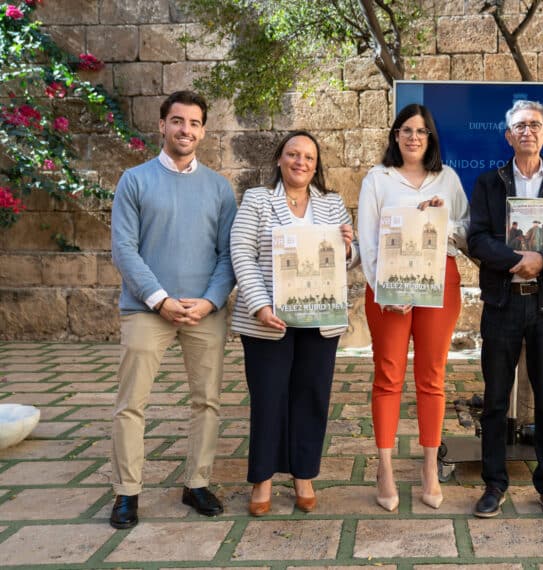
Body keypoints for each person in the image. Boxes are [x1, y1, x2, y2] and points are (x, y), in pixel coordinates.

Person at [109, 90, 237, 529]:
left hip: (205, 311)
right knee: (132, 403)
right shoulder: (135, 180)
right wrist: (159, 299)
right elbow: (124, 249)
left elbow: (228, 254)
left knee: (207, 401)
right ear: (162, 125)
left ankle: (196, 483)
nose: (186, 130)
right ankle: (127, 492)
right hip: (147, 310)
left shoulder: (220, 188)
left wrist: (209, 301)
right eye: (178, 121)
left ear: (203, 130)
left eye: (195, 123)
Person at [467, 100, 543, 521]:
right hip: (502, 303)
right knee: (496, 400)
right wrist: (513, 259)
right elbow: (477, 239)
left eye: (535, 125)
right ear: (508, 135)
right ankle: (494, 483)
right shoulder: (489, 183)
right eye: (519, 126)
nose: (527, 131)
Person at [230, 131, 359, 516]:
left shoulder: (333, 205)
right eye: (293, 154)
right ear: (279, 159)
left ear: (316, 165)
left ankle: (304, 473)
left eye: (308, 156)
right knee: (269, 397)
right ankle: (263, 478)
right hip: (270, 319)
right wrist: (258, 306)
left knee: (312, 395)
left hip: (319, 319)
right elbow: (242, 252)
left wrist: (349, 246)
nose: (300, 162)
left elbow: (348, 261)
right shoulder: (257, 200)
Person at [358, 103, 470, 511]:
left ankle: (428, 466)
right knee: (388, 375)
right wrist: (383, 289)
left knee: (432, 376)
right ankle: (385, 467)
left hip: (439, 283)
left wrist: (447, 222)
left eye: (421, 131)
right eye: (406, 130)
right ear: (395, 135)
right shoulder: (377, 179)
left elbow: (466, 230)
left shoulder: (448, 178)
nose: (413, 137)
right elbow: (367, 239)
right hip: (389, 289)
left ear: (431, 137)